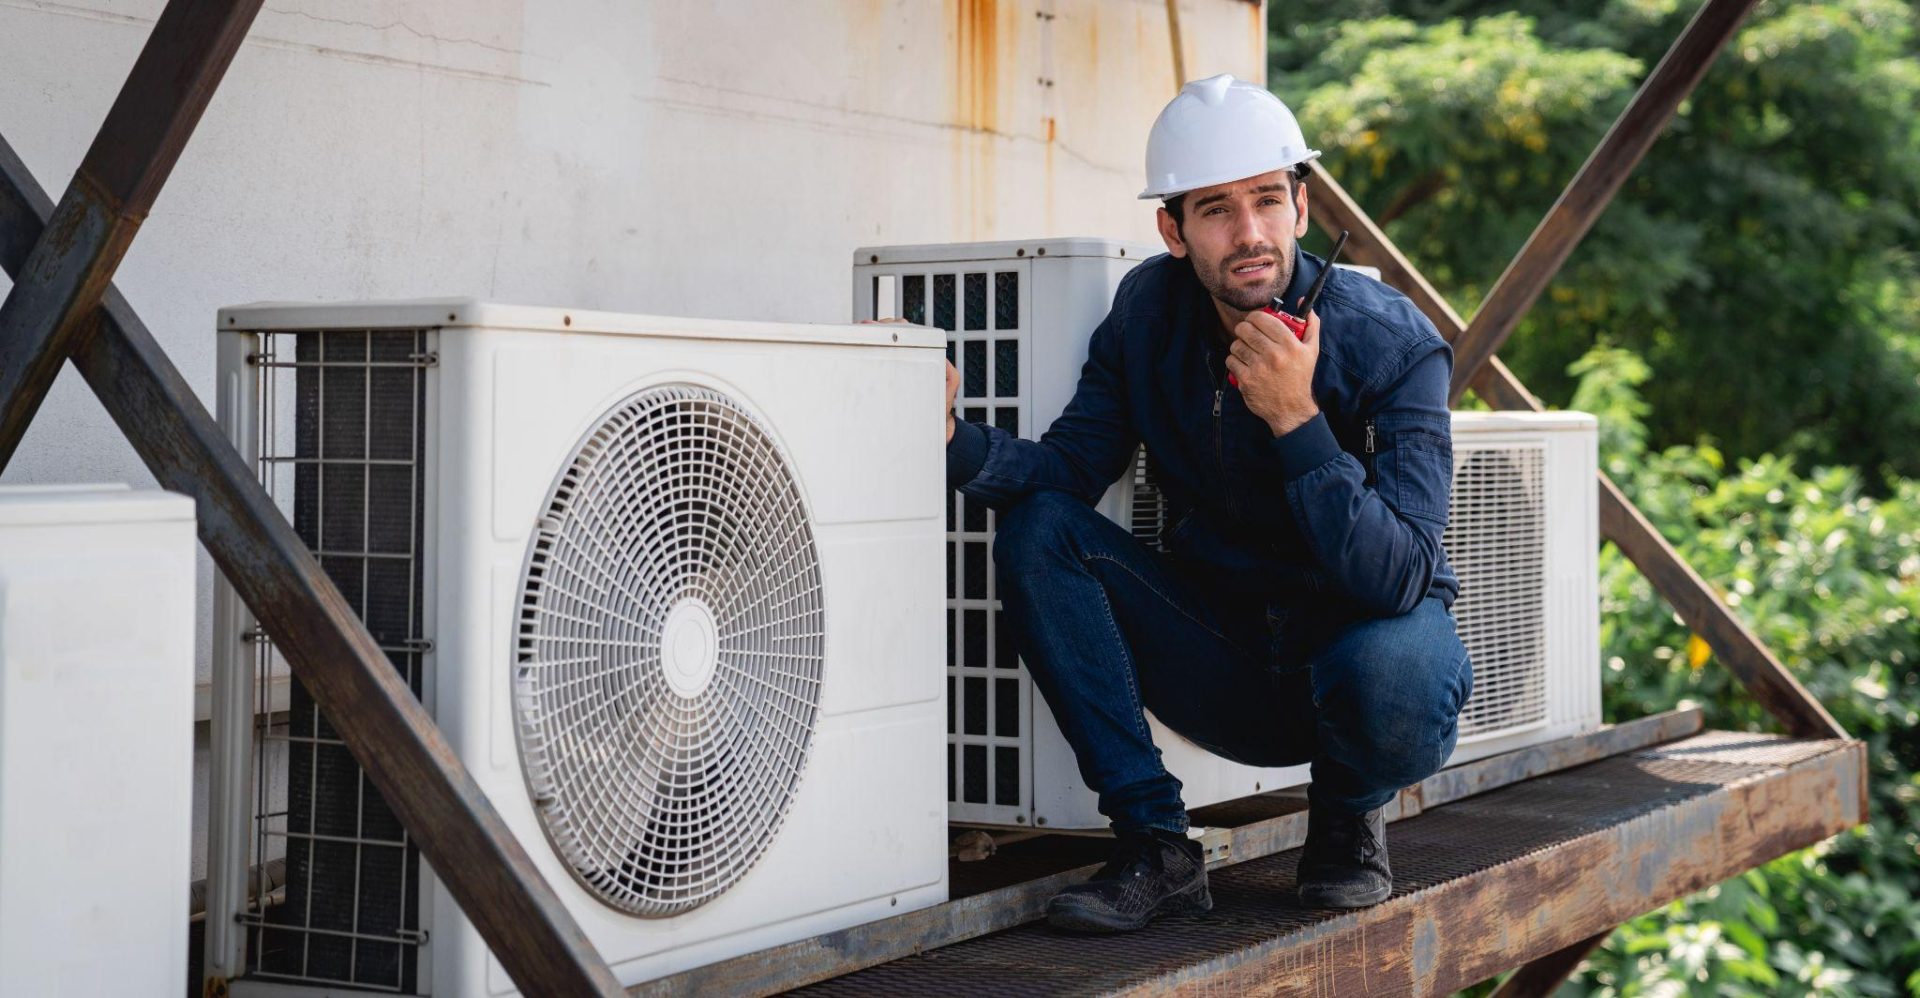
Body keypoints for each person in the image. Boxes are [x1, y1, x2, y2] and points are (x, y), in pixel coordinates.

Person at [930, 74, 1473, 933]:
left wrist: (1296, 420)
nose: (1249, 232)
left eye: (1267, 199)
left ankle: (1345, 819)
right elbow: (1069, 470)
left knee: (1402, 665)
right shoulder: (1147, 312)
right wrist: (949, 436)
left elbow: (1401, 576)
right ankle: (1156, 844)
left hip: (1356, 662)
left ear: (1302, 205)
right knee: (1042, 531)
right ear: (1173, 231)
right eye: (1216, 209)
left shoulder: (1393, 344)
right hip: (1222, 653)